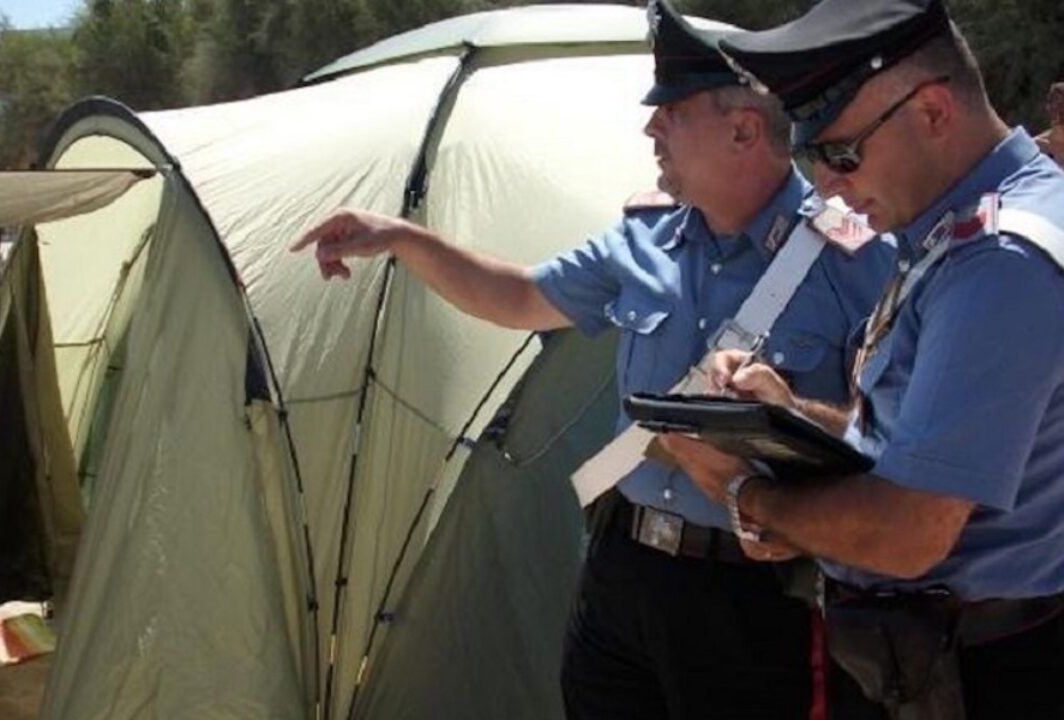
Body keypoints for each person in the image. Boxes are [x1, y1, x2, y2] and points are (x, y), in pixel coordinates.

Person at [292, 4, 895, 718]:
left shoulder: (859, 258)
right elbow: (518, 296)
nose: (650, 130)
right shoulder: (641, 240)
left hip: (756, 596)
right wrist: (400, 238)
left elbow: (890, 439)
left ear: (743, 129)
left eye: (670, 111)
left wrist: (790, 411)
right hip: (622, 573)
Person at [659, 1, 1064, 718]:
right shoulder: (965, 228)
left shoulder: (997, 260)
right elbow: (918, 439)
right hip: (938, 659)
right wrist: (788, 413)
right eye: (813, 158)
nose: (828, 185)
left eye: (842, 153)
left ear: (934, 110)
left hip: (977, 674)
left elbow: (909, 532)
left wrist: (748, 498)